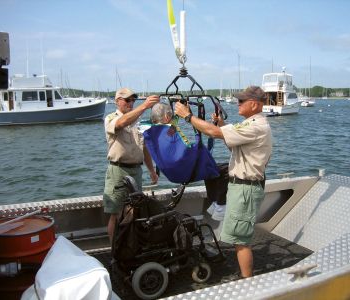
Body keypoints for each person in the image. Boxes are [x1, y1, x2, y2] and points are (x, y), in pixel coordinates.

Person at [175, 86, 272, 280]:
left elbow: (214, 133)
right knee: (238, 236)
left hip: (246, 188)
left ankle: (247, 281)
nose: (238, 103)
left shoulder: (255, 126)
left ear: (254, 104)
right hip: (240, 186)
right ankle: (246, 277)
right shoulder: (250, 124)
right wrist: (222, 124)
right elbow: (230, 139)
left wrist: (188, 117)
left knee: (240, 239)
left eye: (242, 101)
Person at [103, 87, 160, 243]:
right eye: (127, 100)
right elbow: (121, 123)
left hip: (136, 171)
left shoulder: (137, 122)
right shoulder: (111, 118)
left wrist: (151, 171)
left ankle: (130, 246)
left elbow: (144, 148)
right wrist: (144, 106)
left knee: (133, 211)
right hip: (118, 171)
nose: (131, 102)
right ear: (117, 101)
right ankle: (114, 250)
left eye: (133, 100)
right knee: (116, 214)